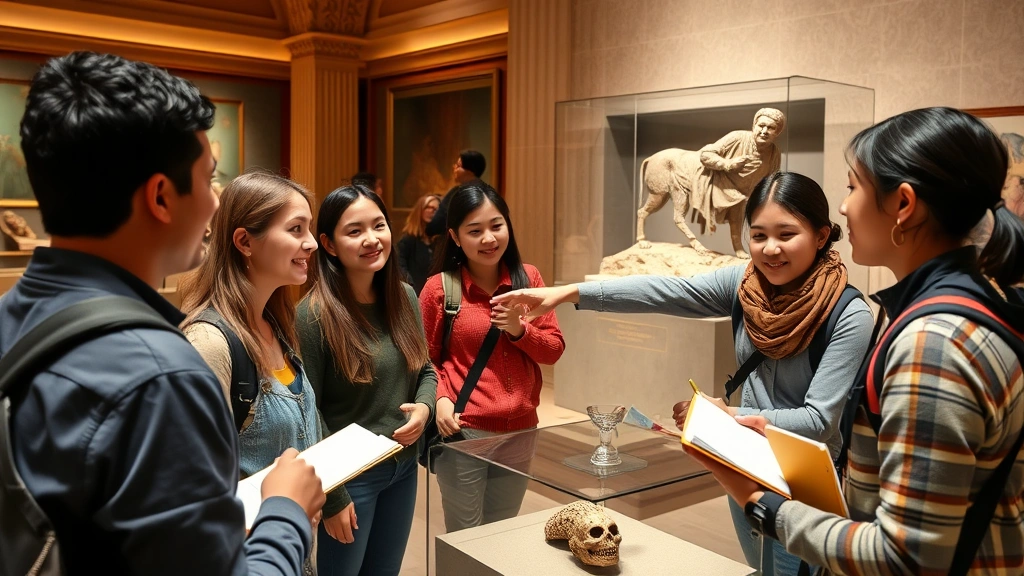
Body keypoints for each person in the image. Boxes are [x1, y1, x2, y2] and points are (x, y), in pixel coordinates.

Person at [0, 51, 324, 575]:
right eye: (208, 179)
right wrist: (284, 510)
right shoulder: (162, 376)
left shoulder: (10, 319)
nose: (217, 205)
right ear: (160, 197)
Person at [685, 107, 1024, 574]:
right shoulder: (971, 306)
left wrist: (758, 500)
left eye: (852, 186)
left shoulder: (933, 344)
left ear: (903, 205)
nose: (843, 207)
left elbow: (906, 558)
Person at [493, 171, 873, 575]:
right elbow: (668, 290)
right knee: (758, 568)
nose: (770, 249)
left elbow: (818, 421)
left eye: (786, 234)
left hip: (803, 486)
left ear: (821, 235)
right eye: (758, 235)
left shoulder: (848, 315)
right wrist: (570, 293)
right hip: (743, 463)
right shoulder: (746, 284)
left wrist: (729, 417)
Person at [178, 170, 342, 574]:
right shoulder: (209, 344)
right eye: (296, 229)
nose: (310, 244)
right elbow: (189, 492)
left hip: (290, 550)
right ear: (244, 242)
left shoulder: (278, 324)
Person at [297, 184, 436, 576]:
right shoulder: (313, 315)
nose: (372, 239)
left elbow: (425, 368)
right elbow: (308, 413)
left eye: (379, 225)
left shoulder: (404, 296)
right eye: (354, 231)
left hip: (403, 467)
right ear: (328, 243)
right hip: (350, 477)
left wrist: (424, 409)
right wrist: (333, 496)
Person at [420, 182, 565, 532]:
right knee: (466, 535)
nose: (488, 238)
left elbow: (554, 350)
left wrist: (519, 330)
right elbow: (424, 362)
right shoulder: (440, 289)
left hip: (522, 429)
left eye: (496, 226)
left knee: (501, 534)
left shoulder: (527, 279)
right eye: (475, 230)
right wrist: (439, 399)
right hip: (464, 430)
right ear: (455, 237)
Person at [425, 149, 486, 237]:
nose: (454, 168)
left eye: (458, 166)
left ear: (470, 171)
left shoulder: (457, 193)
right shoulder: (488, 191)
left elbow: (436, 225)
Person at [397, 193, 441, 294]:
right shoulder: (408, 240)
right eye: (429, 207)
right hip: (414, 294)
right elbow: (400, 267)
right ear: (420, 210)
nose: (433, 211)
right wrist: (411, 289)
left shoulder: (438, 241)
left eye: (436, 209)